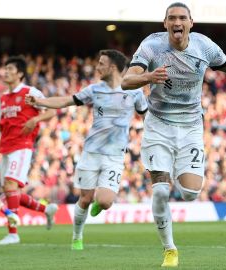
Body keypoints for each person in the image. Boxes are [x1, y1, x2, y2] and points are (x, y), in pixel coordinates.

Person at [121, 2, 226, 267]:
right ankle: (169, 249)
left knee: (190, 192)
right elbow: (126, 81)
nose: (177, 22)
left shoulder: (205, 47)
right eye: (172, 18)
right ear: (164, 23)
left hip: (190, 126)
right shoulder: (151, 45)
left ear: (191, 22)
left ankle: (181, 174)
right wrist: (148, 76)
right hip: (158, 125)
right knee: (159, 192)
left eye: (182, 18)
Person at [25, 49, 148, 251]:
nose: (97, 67)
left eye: (101, 64)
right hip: (91, 153)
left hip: (115, 155)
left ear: (113, 67)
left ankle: (101, 204)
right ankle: (77, 236)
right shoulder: (94, 90)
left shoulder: (135, 92)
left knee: (106, 201)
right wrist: (40, 101)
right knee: (85, 198)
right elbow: (65, 101)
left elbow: (146, 116)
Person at [0, 56, 59, 245]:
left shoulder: (30, 92)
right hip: (6, 146)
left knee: (10, 186)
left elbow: (51, 111)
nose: (6, 72)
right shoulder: (3, 97)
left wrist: (35, 119)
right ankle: (46, 210)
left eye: (10, 69)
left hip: (23, 145)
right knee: (10, 192)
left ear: (19, 73)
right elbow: (4, 123)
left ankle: (13, 233)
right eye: (5, 68)